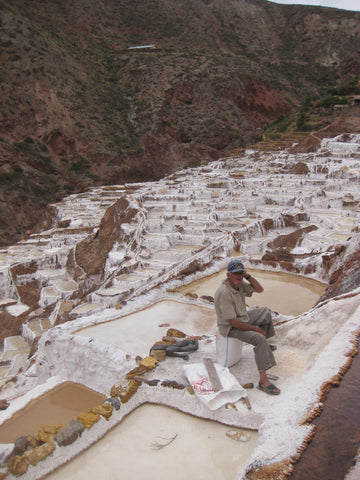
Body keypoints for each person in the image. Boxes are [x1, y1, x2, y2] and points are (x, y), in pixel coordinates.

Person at [214, 259, 280, 395]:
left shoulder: (239, 285)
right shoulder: (225, 292)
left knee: (265, 312)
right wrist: (255, 329)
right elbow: (233, 322)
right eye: (235, 273)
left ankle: (263, 350)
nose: (238, 276)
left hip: (242, 318)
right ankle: (263, 382)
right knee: (259, 338)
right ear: (228, 275)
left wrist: (247, 276)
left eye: (240, 273)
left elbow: (259, 289)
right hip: (230, 327)